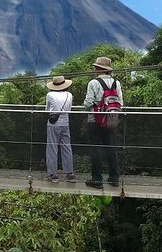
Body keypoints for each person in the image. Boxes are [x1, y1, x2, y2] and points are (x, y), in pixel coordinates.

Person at [83, 56, 122, 189]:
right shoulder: (116, 83)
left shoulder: (93, 83)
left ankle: (97, 179)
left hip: (95, 120)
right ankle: (114, 178)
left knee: (95, 149)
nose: (94, 70)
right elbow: (120, 103)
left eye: (95, 68)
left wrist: (91, 106)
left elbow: (87, 103)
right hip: (112, 120)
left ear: (99, 69)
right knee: (111, 148)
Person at [44, 75, 76, 183]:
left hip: (53, 124)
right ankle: (70, 173)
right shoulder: (69, 95)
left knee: (52, 148)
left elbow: (47, 110)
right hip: (65, 123)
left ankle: (53, 175)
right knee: (67, 147)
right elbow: (69, 109)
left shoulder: (50, 95)